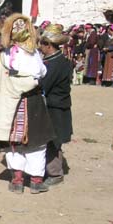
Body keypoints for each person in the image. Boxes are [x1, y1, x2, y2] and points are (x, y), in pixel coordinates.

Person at [0, 13, 56, 194]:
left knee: (13, 143)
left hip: (10, 103)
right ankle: (36, 181)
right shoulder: (33, 54)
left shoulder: (4, 55)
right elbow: (42, 72)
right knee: (37, 143)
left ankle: (17, 180)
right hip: (32, 101)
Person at [38, 24, 74, 187]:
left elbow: (44, 84)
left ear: (48, 45)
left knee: (53, 140)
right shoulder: (60, 60)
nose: (40, 47)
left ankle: (55, 173)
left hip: (55, 107)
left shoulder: (55, 64)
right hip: (58, 105)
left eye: (42, 44)